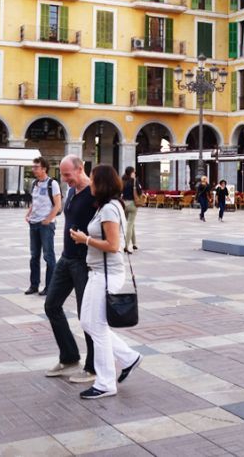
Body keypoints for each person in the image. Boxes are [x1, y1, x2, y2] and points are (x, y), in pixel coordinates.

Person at [69, 164, 142, 400]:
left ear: (101, 183)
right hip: (97, 272)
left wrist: (85, 239)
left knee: (97, 327)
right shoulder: (104, 207)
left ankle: (105, 382)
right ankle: (129, 357)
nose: (89, 183)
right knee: (88, 322)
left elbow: (113, 246)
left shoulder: (110, 209)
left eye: (92, 179)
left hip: (107, 274)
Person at [43, 156, 97, 385]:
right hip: (66, 259)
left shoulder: (95, 193)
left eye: (67, 175)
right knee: (51, 305)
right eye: (62, 175)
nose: (65, 179)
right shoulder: (72, 191)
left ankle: (93, 366)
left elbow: (108, 226)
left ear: (80, 169)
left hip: (84, 262)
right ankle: (69, 357)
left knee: (87, 315)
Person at [24, 157, 62, 296]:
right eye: (33, 166)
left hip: (46, 225)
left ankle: (49, 287)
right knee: (34, 256)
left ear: (44, 168)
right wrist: (28, 214)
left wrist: (48, 220)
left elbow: (58, 205)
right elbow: (35, 202)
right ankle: (34, 285)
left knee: (48, 256)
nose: (34, 169)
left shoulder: (53, 184)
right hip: (33, 223)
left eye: (36, 167)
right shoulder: (34, 183)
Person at [121, 167, 141, 253]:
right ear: (132, 173)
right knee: (129, 225)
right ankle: (126, 245)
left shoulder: (122, 180)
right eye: (134, 172)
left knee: (131, 224)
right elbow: (140, 191)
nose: (135, 173)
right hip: (132, 204)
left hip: (124, 204)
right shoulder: (134, 181)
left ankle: (134, 243)